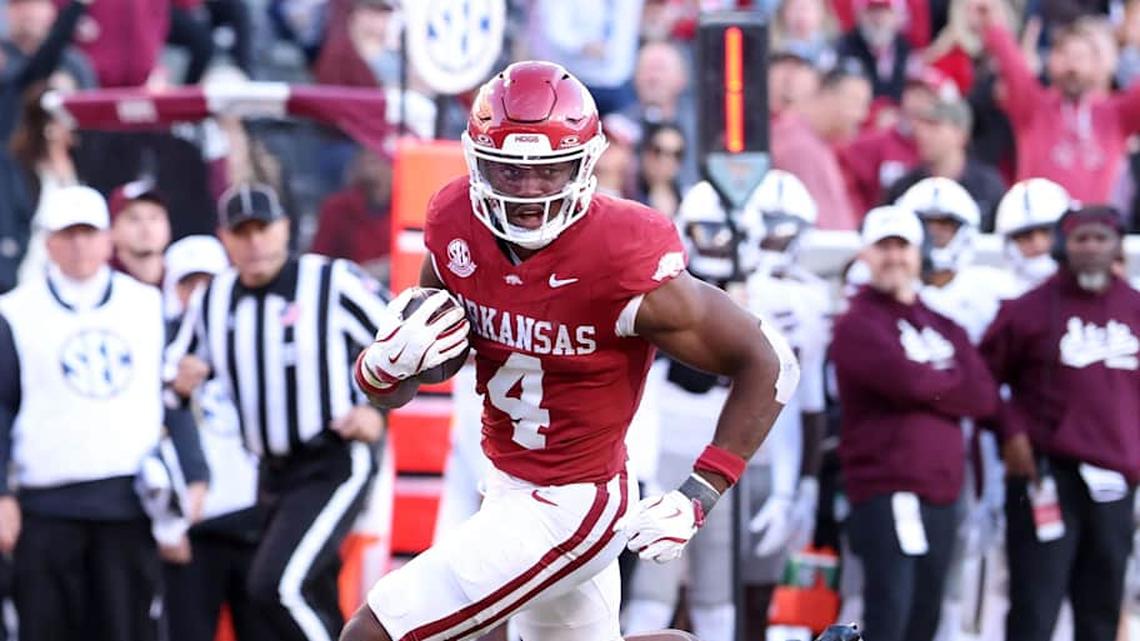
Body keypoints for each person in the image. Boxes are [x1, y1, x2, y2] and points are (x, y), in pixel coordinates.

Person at [343, 60, 797, 641]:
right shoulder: (456, 223)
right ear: (478, 163)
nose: (529, 193)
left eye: (549, 172)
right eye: (510, 173)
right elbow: (431, 364)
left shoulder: (621, 254)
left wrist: (698, 494)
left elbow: (771, 362)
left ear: (585, 165)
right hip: (503, 480)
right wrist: (383, 368)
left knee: (372, 633)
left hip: (573, 505)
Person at [167, 183, 390, 641]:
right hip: (271, 476)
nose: (254, 243)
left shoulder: (330, 281)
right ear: (224, 239)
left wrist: (377, 408)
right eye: (241, 232)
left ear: (286, 228)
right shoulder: (213, 300)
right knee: (313, 591)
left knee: (276, 586)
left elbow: (406, 341)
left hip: (333, 460)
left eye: (263, 229)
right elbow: (174, 376)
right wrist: (180, 379)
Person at [0, 185, 176, 641]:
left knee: (126, 627)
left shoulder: (148, 306)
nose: (79, 245)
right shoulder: (14, 312)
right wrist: (2, 495)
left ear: (107, 239)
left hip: (128, 503)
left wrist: (190, 476)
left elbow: (176, 397)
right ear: (48, 242)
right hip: (45, 505)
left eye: (88, 233)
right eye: (67, 234)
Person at [831, 204, 998, 641]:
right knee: (889, 610)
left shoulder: (942, 323)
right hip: (886, 490)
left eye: (902, 246)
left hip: (943, 493)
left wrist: (934, 385)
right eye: (883, 247)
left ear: (918, 253)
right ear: (866, 254)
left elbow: (982, 395)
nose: (894, 257)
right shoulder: (858, 323)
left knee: (927, 615)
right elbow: (905, 381)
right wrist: (945, 384)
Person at [980, 204, 1140, 641]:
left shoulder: (1134, 307)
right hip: (1047, 476)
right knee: (1035, 606)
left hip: (1115, 481)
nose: (1090, 248)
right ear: (1062, 246)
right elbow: (982, 379)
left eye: (1099, 239)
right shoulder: (1030, 309)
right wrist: (1010, 431)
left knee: (1102, 608)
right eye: (1080, 239)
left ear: (1116, 246)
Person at [160, 235, 273, 641]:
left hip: (258, 519)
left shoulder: (259, 339)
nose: (199, 296)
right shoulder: (156, 352)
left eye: (207, 283)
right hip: (194, 528)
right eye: (187, 285)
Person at [994, 178, 1074, 294]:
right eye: (1025, 236)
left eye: (1046, 231)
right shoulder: (995, 296)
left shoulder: (1090, 289)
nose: (1038, 244)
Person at [109, 178, 172, 287]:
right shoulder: (100, 283)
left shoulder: (183, 277)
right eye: (134, 219)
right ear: (112, 230)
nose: (146, 228)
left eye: (154, 217)